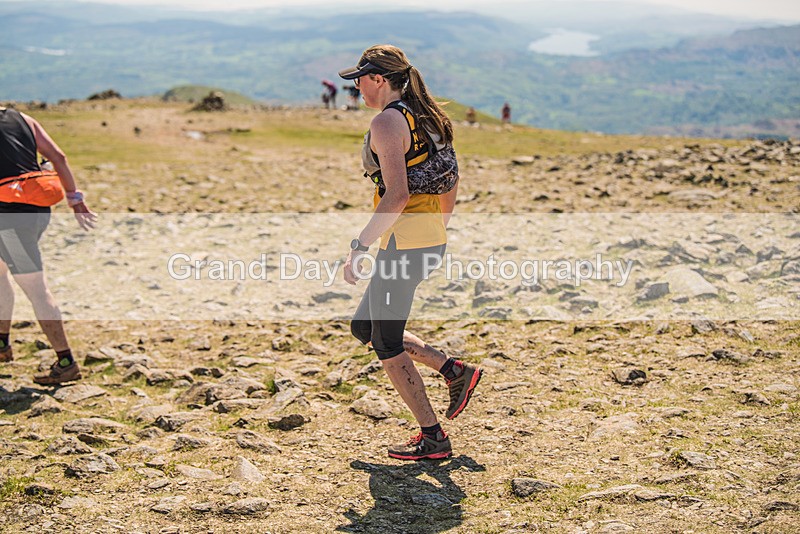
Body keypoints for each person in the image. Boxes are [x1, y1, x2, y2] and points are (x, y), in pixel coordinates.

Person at [339, 45, 483, 461]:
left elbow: (397, 194)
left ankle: (433, 437)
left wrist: (359, 246)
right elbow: (450, 177)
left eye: (360, 79)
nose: (357, 87)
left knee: (385, 342)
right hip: (426, 237)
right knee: (365, 328)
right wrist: (441, 225)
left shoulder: (387, 121)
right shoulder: (428, 116)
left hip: (404, 243)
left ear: (379, 79)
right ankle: (455, 371)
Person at [0, 106, 97, 384]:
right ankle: (2, 344)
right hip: (36, 211)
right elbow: (58, 157)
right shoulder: (23, 119)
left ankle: (66, 361)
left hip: (9, 220)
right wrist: (75, 199)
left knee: (36, 289)